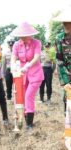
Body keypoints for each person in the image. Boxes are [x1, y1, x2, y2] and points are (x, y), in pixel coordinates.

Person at [11, 22, 44, 131]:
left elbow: (36, 57)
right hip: (21, 75)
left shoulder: (37, 43)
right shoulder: (17, 44)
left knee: (28, 96)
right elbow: (13, 57)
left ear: (29, 34)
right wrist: (13, 67)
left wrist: (28, 65)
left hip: (35, 74)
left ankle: (29, 124)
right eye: (20, 36)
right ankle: (24, 121)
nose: (22, 38)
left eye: (24, 35)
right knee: (22, 97)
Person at [53, 8, 71, 145]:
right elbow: (59, 61)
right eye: (65, 23)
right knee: (68, 102)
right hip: (67, 76)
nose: (67, 25)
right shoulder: (59, 39)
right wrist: (65, 82)